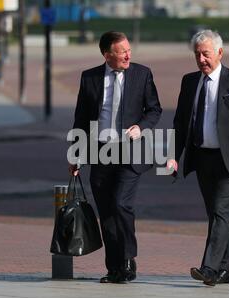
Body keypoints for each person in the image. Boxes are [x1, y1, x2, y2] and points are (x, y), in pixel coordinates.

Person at [167, 30, 229, 286]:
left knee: (220, 211)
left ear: (220, 53)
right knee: (216, 214)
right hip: (202, 158)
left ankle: (209, 268)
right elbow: (180, 124)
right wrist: (173, 157)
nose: (201, 59)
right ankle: (227, 270)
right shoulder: (189, 82)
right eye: (197, 54)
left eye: (206, 54)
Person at [69, 31, 162, 283]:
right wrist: (76, 154)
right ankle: (114, 268)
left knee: (121, 203)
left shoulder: (142, 74)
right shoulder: (89, 78)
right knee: (107, 211)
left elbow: (154, 109)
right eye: (123, 52)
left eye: (129, 50)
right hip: (100, 152)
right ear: (107, 54)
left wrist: (140, 127)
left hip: (131, 152)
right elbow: (81, 117)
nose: (128, 55)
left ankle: (128, 258)